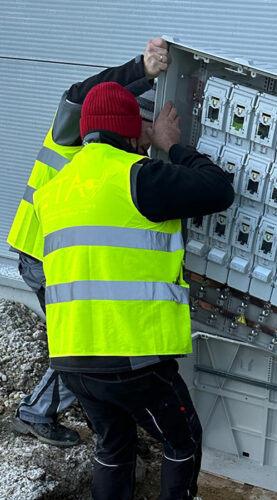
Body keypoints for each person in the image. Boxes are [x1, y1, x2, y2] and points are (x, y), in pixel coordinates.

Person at [33, 76, 234, 499]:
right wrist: (169, 145)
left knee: (113, 447)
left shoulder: (53, 192)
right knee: (182, 440)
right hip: (130, 356)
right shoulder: (138, 176)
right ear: (128, 131)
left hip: (72, 358)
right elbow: (219, 190)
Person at [8, 38, 168, 447]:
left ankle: (104, 429)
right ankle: (35, 412)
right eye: (146, 129)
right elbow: (80, 95)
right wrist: (141, 69)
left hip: (55, 254)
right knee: (81, 346)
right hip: (43, 253)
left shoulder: (114, 155)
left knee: (83, 344)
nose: (149, 140)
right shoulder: (73, 132)